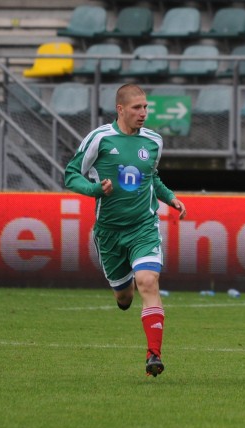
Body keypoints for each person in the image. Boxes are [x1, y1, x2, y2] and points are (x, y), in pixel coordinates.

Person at [64, 83, 186, 377]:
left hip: (143, 226)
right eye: (137, 108)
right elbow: (70, 175)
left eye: (145, 107)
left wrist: (169, 197)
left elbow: (151, 178)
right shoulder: (100, 139)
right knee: (125, 298)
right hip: (109, 232)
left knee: (147, 281)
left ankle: (153, 354)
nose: (143, 113)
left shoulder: (153, 141)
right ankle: (122, 287)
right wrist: (94, 189)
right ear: (120, 110)